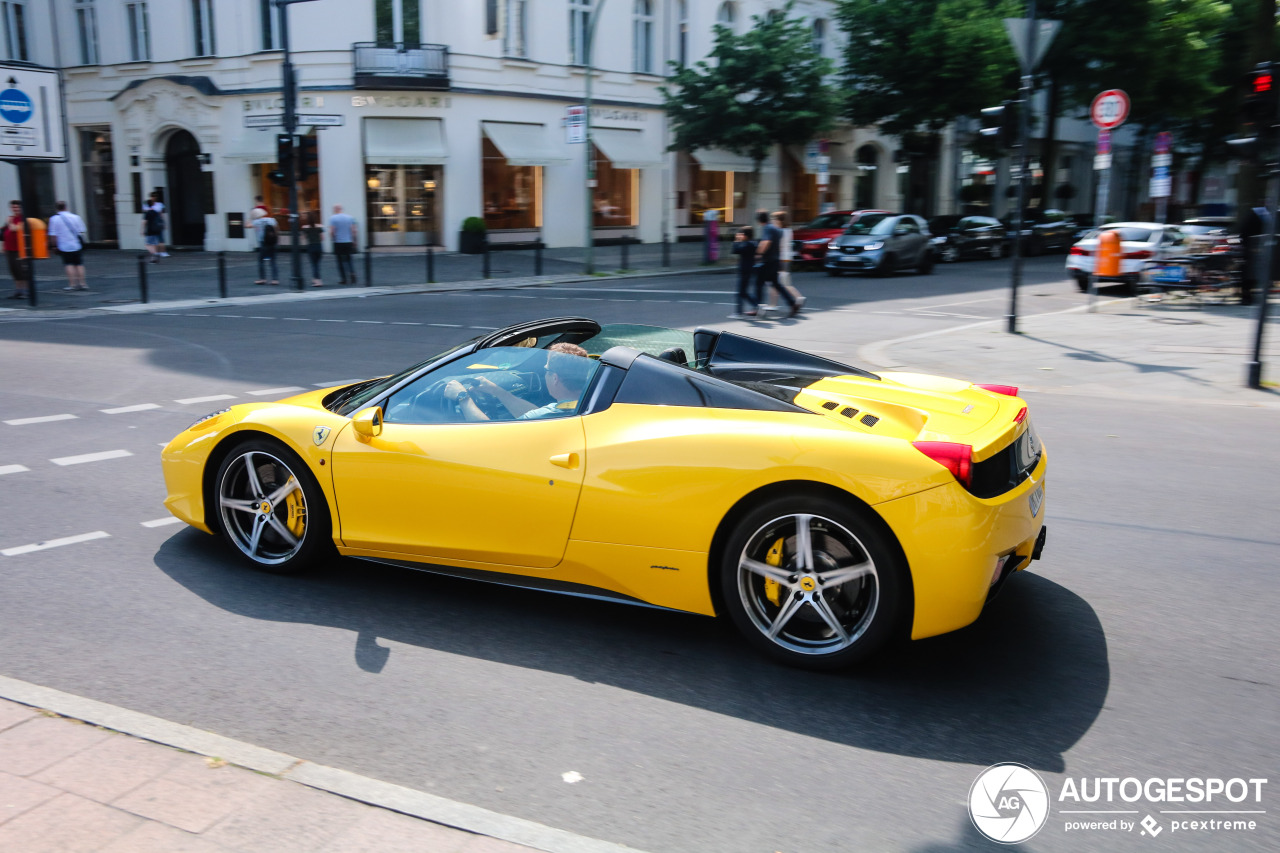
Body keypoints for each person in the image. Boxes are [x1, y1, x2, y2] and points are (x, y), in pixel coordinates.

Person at [444, 343, 593, 422]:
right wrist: (497, 391)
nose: (544, 374)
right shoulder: (588, 402)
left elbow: (490, 435)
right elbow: (534, 414)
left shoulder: (555, 414)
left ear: (555, 378)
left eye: (546, 370)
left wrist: (463, 397)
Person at [754, 210, 797, 317]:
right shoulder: (776, 229)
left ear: (759, 220)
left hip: (767, 261)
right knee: (776, 284)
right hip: (776, 260)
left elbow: (766, 242)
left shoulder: (767, 228)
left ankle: (757, 308)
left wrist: (758, 253)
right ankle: (792, 303)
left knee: (758, 284)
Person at [765, 210, 806, 317]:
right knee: (782, 282)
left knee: (776, 282)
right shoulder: (788, 230)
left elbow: (778, 246)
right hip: (787, 258)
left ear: (779, 220)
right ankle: (798, 298)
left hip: (780, 259)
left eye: (774, 219)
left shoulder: (780, 231)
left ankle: (774, 304)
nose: (773, 221)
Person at [47, 201, 89, 292]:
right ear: (66, 207)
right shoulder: (76, 217)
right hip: (76, 244)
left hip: (64, 245)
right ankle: (83, 283)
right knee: (79, 264)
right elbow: (82, 231)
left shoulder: (54, 219)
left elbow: (53, 235)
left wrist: (54, 246)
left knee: (69, 264)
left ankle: (72, 284)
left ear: (57, 208)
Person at [3, 200, 28, 299]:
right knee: (13, 270)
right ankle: (18, 291)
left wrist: (9, 222)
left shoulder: (22, 219)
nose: (15, 209)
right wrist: (4, 246)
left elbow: (15, 228)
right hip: (9, 249)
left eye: (17, 207)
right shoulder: (11, 218)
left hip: (19, 249)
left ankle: (26, 291)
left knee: (21, 270)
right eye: (13, 207)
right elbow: (5, 232)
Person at [730, 226, 758, 318]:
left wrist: (736, 240)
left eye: (742, 234)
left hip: (744, 269)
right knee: (743, 292)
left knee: (740, 292)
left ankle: (738, 312)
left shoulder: (747, 244)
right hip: (749, 269)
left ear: (746, 235)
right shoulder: (753, 243)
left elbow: (735, 250)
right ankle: (756, 305)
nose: (741, 236)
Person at [329, 204, 358, 285]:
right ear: (341, 209)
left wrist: (332, 238)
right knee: (349, 259)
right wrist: (354, 240)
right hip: (348, 241)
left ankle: (344, 278)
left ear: (335, 209)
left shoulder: (333, 218)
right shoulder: (350, 217)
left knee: (340, 261)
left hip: (338, 242)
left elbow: (332, 231)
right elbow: (354, 230)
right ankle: (352, 273)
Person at [252, 208, 280, 285]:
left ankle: (262, 279)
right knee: (273, 261)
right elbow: (277, 229)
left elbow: (247, 225)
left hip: (263, 243)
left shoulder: (256, 222)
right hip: (272, 242)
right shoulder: (271, 220)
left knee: (261, 261)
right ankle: (275, 279)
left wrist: (250, 218)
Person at [300, 210, 325, 287]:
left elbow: (303, 238)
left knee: (314, 264)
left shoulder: (305, 228)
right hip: (318, 246)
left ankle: (317, 280)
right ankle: (316, 279)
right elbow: (322, 238)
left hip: (311, 246)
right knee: (317, 264)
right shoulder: (320, 227)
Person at [142, 193, 167, 262]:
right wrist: (163, 224)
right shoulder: (156, 212)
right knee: (156, 242)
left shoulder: (148, 213)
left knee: (148, 245)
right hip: (156, 228)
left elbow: (144, 222)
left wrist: (142, 230)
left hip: (150, 230)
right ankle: (156, 255)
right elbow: (161, 217)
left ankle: (155, 254)